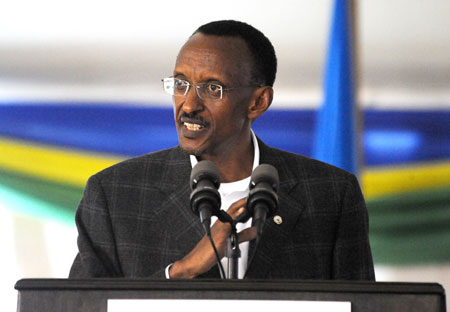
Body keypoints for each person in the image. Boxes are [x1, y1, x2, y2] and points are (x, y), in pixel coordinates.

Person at [69, 20, 375, 280]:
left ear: (258, 102)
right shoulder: (114, 194)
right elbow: (78, 307)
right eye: (180, 83)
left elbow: (362, 306)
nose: (189, 104)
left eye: (212, 88)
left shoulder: (331, 194)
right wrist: (180, 271)